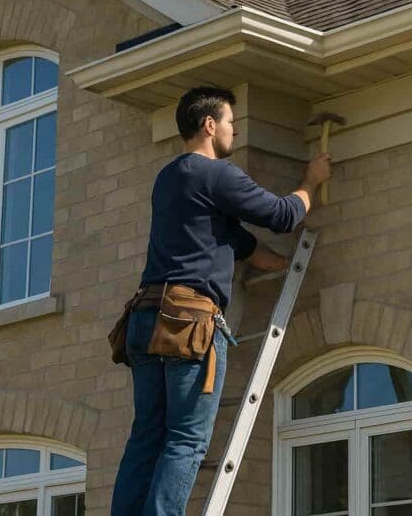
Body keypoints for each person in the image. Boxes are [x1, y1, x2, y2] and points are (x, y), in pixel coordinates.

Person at [111, 86, 331, 516]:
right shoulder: (217, 174)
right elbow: (283, 216)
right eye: (231, 122)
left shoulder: (170, 178)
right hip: (188, 324)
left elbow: (233, 240)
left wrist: (281, 264)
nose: (234, 130)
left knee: (147, 437)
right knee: (186, 439)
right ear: (210, 125)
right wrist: (310, 182)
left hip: (145, 318)